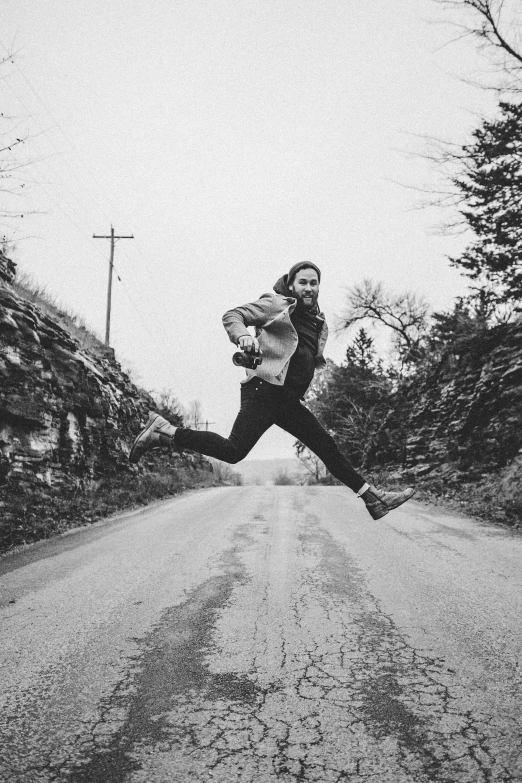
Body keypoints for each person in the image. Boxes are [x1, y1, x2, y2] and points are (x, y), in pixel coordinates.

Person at [129, 262, 414, 520]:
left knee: (326, 446)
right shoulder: (276, 305)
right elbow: (233, 315)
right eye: (303, 282)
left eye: (314, 283)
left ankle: (373, 499)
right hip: (264, 391)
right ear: (291, 285)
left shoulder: (318, 322)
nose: (309, 288)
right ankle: (165, 431)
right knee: (233, 451)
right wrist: (243, 336)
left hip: (288, 400)